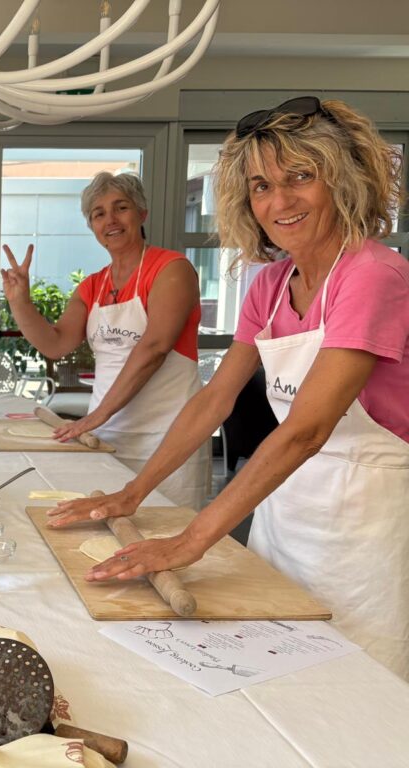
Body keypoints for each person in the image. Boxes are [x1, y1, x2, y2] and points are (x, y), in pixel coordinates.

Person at [49, 97, 409, 678]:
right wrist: (132, 494)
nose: (280, 201)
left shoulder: (373, 276)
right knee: (277, 671)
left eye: (301, 177)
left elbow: (307, 429)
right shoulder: (270, 283)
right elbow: (214, 399)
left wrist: (194, 540)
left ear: (341, 179)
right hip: (281, 508)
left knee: (356, 685)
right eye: (262, 185)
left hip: (363, 520)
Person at [2, 172, 209, 509]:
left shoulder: (172, 269)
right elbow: (55, 344)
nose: (110, 220)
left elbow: (154, 347)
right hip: (107, 441)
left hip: (169, 440)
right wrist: (19, 302)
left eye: (121, 208)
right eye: (98, 213)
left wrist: (95, 416)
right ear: (92, 226)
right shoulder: (93, 286)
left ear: (141, 214)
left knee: (165, 539)